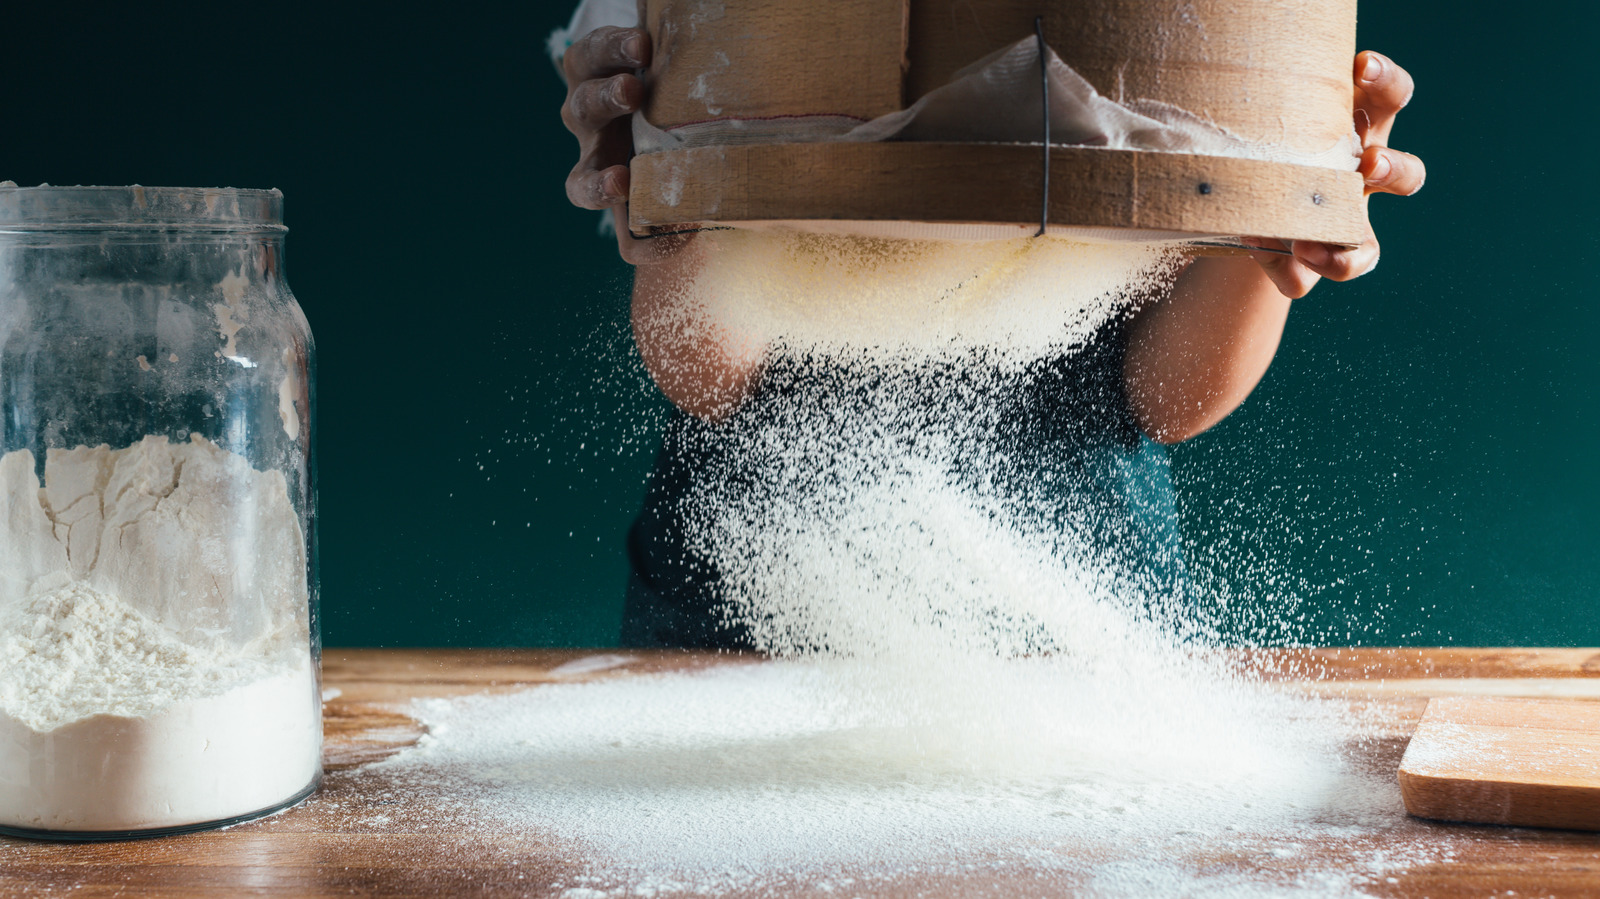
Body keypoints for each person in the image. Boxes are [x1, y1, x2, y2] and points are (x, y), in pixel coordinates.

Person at [557, 24, 1426, 649]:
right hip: (744, 607)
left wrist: (1284, 213)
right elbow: (708, 367)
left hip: (1080, 623)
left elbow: (1169, 399)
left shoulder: (1188, 24)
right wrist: (668, 173)